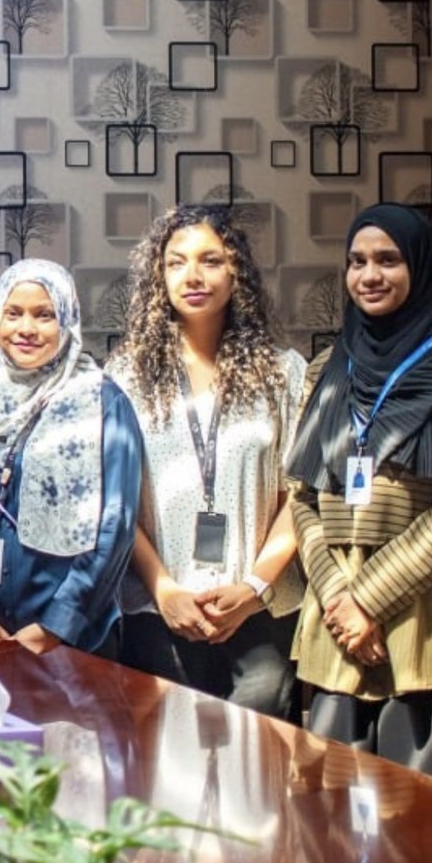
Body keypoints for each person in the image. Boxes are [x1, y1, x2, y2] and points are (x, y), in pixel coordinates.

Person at [284, 205, 432, 779]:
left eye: (388, 260)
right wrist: (337, 597)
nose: (369, 275)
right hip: (335, 627)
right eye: (357, 262)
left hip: (418, 621)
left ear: (419, 266)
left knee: (421, 809)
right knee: (328, 804)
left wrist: (369, 601)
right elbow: (301, 495)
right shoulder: (327, 368)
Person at [109, 205, 307, 718]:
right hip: (158, 608)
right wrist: (163, 588)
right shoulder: (126, 378)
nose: (192, 276)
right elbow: (114, 501)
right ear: (159, 276)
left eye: (210, 260)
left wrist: (255, 587)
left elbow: (300, 496)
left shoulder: (284, 373)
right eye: (176, 262)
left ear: (236, 271)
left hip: (260, 608)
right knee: (168, 760)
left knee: (258, 757)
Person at [0, 259, 141, 657]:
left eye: (44, 315)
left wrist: (57, 625)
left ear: (67, 321)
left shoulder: (102, 401)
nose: (27, 329)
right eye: (13, 313)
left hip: (74, 639)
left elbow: (115, 523)